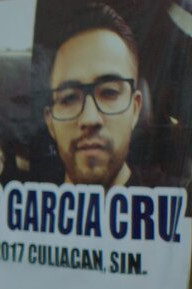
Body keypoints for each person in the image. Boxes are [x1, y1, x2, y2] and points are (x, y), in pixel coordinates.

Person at [42, 2, 144, 188]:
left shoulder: (183, 196)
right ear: (50, 122)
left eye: (109, 92)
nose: (90, 119)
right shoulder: (27, 203)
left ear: (135, 109)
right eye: (69, 98)